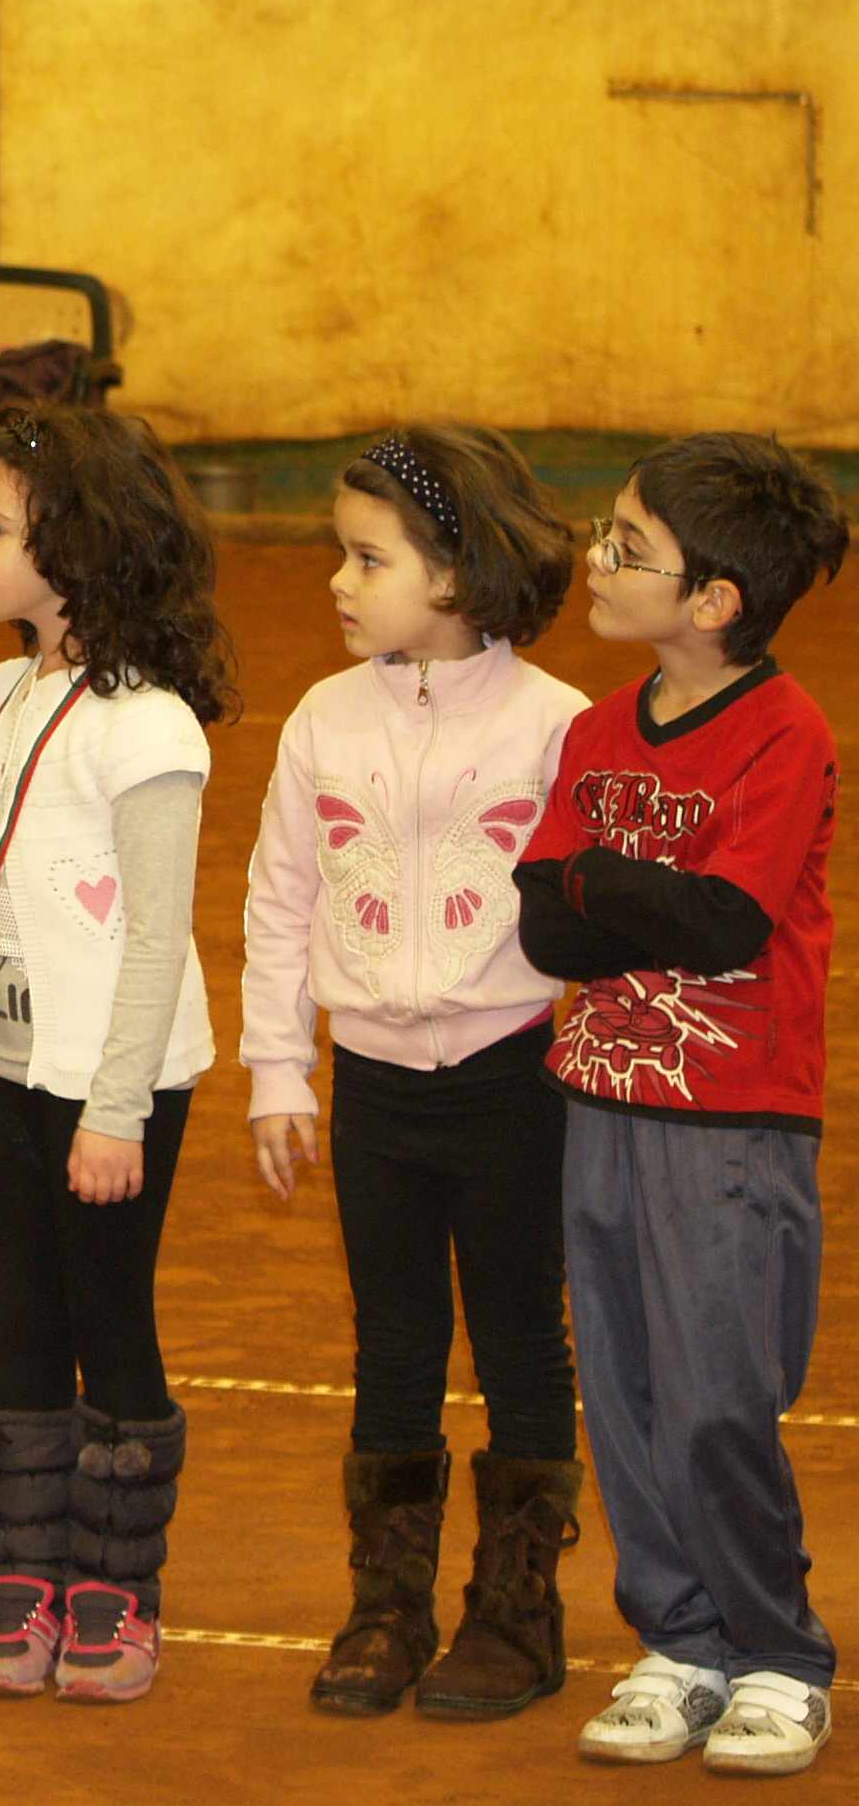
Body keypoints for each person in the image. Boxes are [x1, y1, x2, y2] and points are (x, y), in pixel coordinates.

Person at [241, 427, 588, 1718]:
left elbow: (589, 915)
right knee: (392, 1340)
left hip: (515, 1081)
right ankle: (386, 1607)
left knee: (520, 1337)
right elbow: (281, 899)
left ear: (452, 572)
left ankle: (518, 1615)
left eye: (367, 559)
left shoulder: (557, 725)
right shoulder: (323, 722)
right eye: (341, 555)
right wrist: (282, 1071)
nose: (338, 581)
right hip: (376, 1089)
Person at [515, 432, 847, 1776]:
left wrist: (605, 886)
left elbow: (727, 922)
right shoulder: (596, 731)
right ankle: (681, 1638)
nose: (598, 558)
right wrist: (618, 898)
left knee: (717, 1397)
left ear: (715, 600)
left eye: (629, 547)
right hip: (598, 1096)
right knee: (626, 1387)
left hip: (733, 1111)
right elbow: (546, 924)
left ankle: (779, 1652)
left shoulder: (784, 731)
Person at [0, 403, 233, 1705]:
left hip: (109, 1079)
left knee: (109, 1315)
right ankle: (23, 1577)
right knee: (24, 1315)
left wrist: (117, 1109)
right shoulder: (7, 693)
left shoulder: (147, 726)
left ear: (75, 548)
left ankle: (118, 1593)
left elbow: (157, 935)